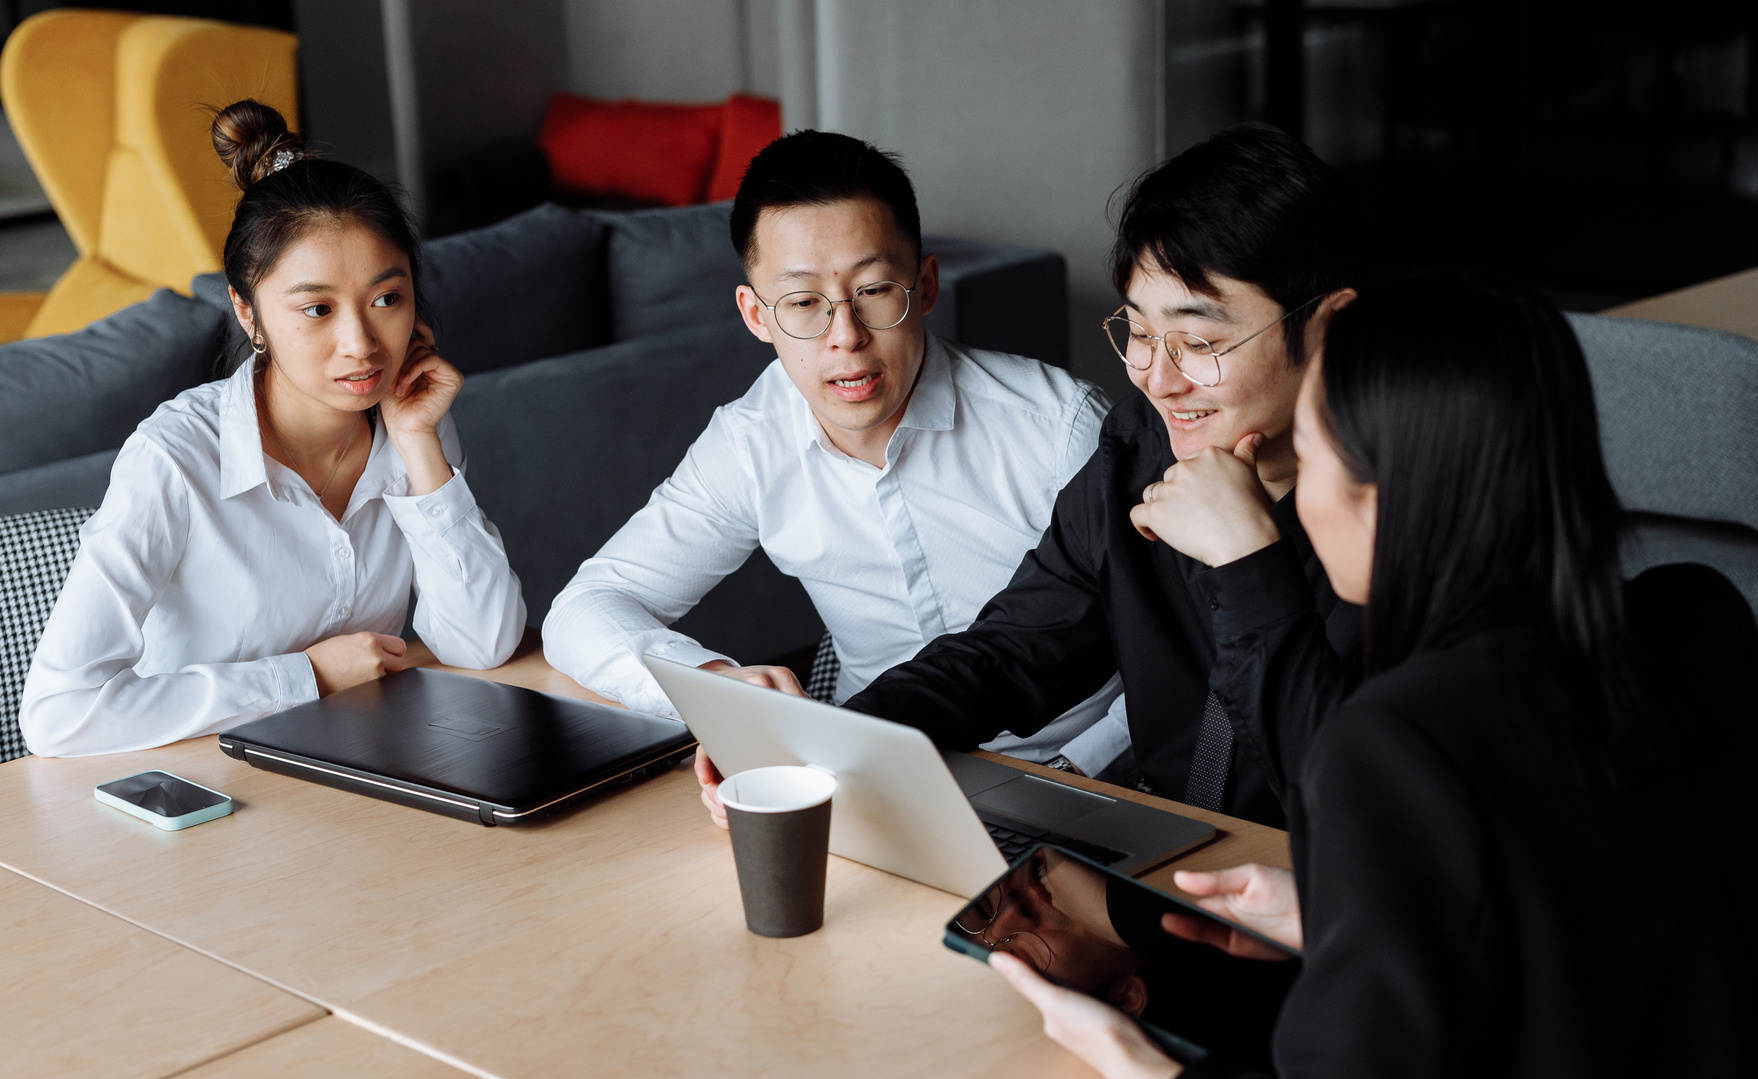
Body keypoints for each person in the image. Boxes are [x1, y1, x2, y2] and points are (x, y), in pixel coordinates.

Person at [991, 275, 1758, 1079]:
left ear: (1388, 494)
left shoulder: (1402, 737)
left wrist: (1126, 1056)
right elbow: (1611, 920)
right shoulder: (1697, 622)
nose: (1297, 497)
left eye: (1311, 462)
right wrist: (1341, 912)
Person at [541, 130, 1128, 793]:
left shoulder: (1061, 429)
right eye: (803, 303)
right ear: (756, 314)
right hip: (866, 766)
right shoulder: (750, 443)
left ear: (925, 285)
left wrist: (1083, 772)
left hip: (1080, 766)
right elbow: (585, 609)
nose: (845, 338)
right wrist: (719, 688)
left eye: (875, 290)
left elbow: (1179, 643)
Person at [843, 123, 1361, 828]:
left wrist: (1249, 563)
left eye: (1200, 342)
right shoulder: (1139, 447)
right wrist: (842, 742)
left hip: (1317, 904)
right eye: (1142, 334)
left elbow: (1355, 803)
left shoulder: (1406, 505)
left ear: (1329, 326)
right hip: (1159, 861)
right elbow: (1014, 651)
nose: (1158, 378)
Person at [20, 102, 524, 757]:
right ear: (247, 311)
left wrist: (421, 445)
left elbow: (482, 643)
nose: (361, 344)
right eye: (317, 308)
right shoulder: (173, 459)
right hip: (202, 800)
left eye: (386, 299)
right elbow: (59, 712)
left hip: (363, 774)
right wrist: (305, 676)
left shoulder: (411, 420)